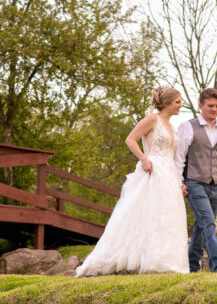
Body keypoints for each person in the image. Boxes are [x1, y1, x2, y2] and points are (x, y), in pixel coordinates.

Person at [76, 86, 189, 276]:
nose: (180, 105)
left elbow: (174, 157)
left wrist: (180, 182)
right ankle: (132, 260)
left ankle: (165, 262)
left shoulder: (171, 126)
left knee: (168, 216)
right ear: (168, 102)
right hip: (153, 171)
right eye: (178, 102)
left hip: (169, 174)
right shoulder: (152, 119)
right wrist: (144, 159)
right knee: (147, 214)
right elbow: (130, 139)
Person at [174, 88, 217, 273]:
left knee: (202, 227)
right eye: (210, 106)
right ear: (201, 106)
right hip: (194, 183)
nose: (214, 109)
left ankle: (192, 267)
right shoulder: (187, 126)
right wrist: (180, 182)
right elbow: (179, 157)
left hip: (216, 186)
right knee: (209, 222)